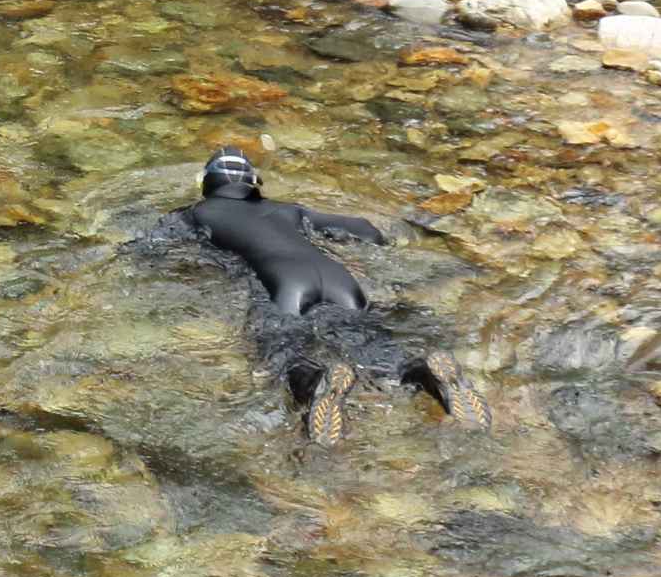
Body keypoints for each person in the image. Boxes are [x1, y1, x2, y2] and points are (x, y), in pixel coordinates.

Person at [167, 148, 456, 436]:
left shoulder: (196, 213)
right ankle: (421, 372)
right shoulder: (288, 210)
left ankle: (314, 382)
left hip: (287, 284)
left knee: (281, 350)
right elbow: (366, 230)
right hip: (340, 280)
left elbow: (154, 246)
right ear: (253, 183)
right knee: (373, 345)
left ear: (207, 183)